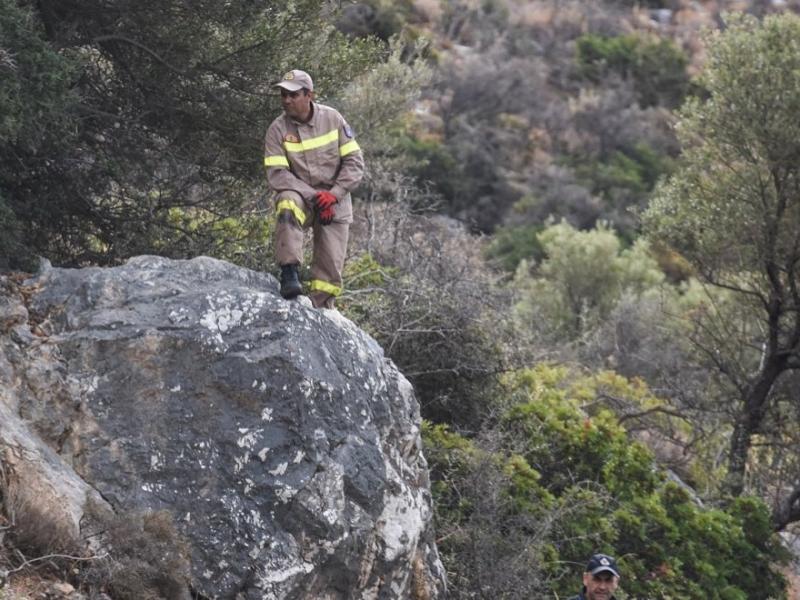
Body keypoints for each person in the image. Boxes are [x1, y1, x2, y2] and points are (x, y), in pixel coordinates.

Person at [263, 69, 365, 309]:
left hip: (335, 201)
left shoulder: (333, 119)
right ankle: (289, 273)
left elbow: (354, 163)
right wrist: (315, 196)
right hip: (302, 198)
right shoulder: (277, 129)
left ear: (309, 95)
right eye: (283, 95)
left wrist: (334, 195)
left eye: (293, 95)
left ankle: (319, 307)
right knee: (286, 201)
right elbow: (277, 175)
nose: (286, 100)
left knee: (329, 276)